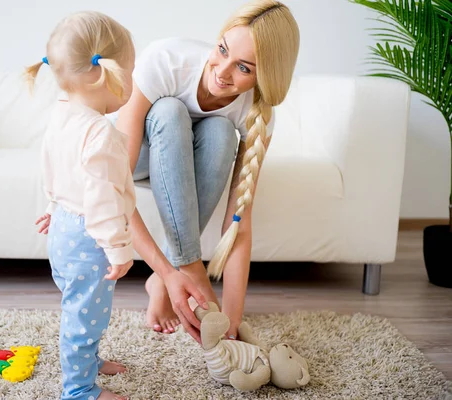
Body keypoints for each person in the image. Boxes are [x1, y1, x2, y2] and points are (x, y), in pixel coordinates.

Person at [113, 0, 300, 342]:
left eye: (244, 67)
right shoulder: (167, 60)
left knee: (219, 132)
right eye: (222, 50)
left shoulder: (257, 113)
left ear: (267, 75)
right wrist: (174, 272)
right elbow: (114, 189)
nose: (222, 70)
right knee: (170, 111)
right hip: (138, 158)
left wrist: (232, 320)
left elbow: (238, 224)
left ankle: (164, 281)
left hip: (185, 167)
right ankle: (188, 269)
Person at [28, 11, 139, 400]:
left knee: (80, 306)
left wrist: (53, 203)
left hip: (64, 227)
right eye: (129, 72)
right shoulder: (101, 132)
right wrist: (119, 248)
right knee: (84, 316)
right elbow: (102, 200)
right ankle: (79, 390)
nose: (133, 82)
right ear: (102, 76)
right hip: (89, 238)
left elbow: (55, 166)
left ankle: (87, 363)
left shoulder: (61, 113)